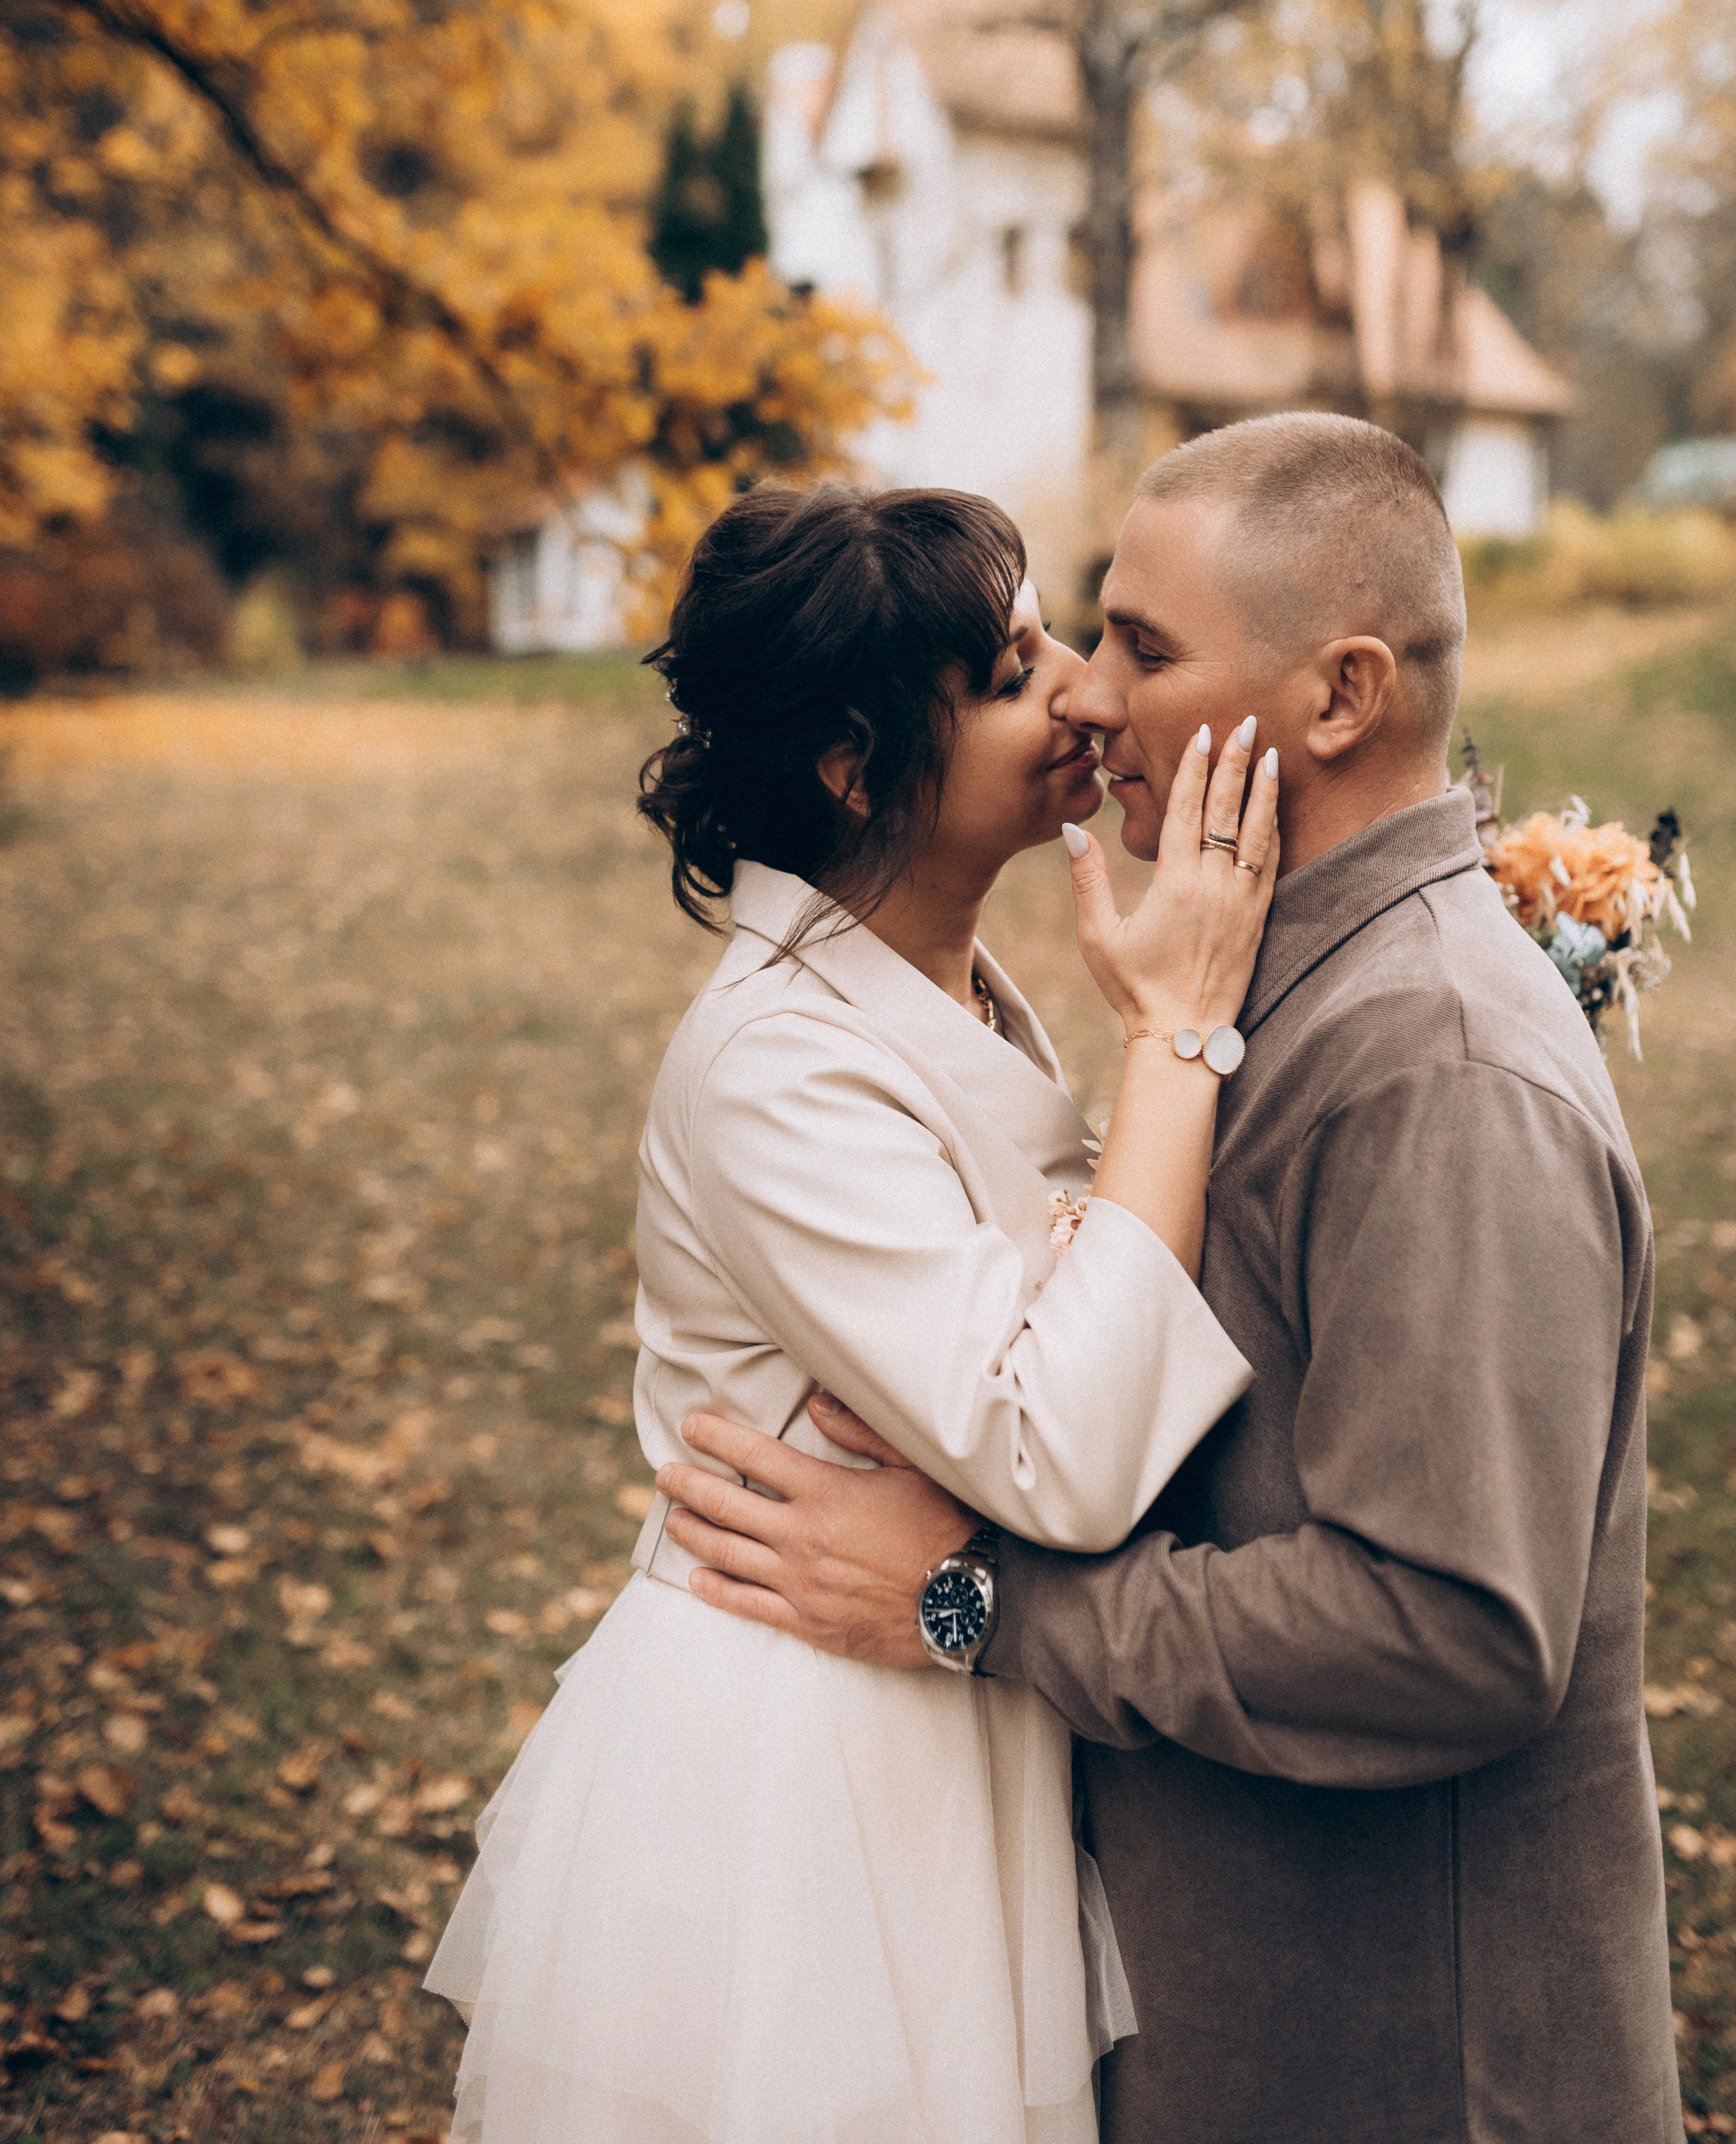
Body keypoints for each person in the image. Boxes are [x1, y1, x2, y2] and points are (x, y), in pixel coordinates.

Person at [658, 418, 1685, 2144]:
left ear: (1338, 696)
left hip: (1409, 2063)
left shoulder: (1432, 1065)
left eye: (1139, 646)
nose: (1089, 694)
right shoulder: (1248, 985)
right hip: (1251, 2002)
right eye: (1067, 642)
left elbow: (1446, 1629)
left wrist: (974, 1601)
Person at [425, 483, 1282, 2143]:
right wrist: (1176, 1038)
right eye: (1010, 673)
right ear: (849, 762)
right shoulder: (774, 1068)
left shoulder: (939, 984)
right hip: (801, 1776)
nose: (1078, 693)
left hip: (935, 1700)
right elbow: (1057, 1452)